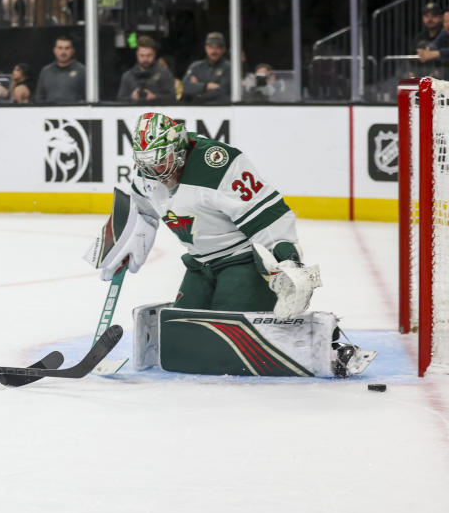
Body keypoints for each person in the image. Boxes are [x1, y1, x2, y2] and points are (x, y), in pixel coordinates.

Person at [86, 112, 375, 378]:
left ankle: (330, 349)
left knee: (229, 336)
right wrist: (119, 244)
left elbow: (267, 216)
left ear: (176, 148)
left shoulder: (218, 163)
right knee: (182, 337)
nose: (153, 169)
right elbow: (142, 212)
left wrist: (287, 262)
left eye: (159, 160)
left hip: (242, 262)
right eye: (145, 161)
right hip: (199, 264)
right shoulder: (146, 175)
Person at [116, 35, 176, 104]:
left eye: (149, 55)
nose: (145, 59)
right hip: (133, 113)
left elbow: (172, 98)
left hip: (157, 112)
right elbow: (120, 101)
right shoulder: (128, 76)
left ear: (154, 54)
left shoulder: (164, 74)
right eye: (142, 55)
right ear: (137, 54)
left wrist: (155, 97)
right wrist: (131, 98)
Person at [181, 31, 231, 105]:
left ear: (223, 49)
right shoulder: (196, 67)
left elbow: (223, 91)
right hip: (195, 110)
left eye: (217, 48)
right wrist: (206, 86)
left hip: (220, 109)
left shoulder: (229, 67)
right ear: (206, 48)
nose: (214, 51)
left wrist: (197, 90)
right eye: (211, 47)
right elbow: (184, 88)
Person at [34, 34, 85, 103]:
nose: (63, 52)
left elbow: (88, 98)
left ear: (73, 50)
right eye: (60, 48)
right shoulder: (46, 71)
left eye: (67, 48)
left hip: (74, 112)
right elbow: (39, 98)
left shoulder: (82, 71)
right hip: (50, 112)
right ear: (55, 50)